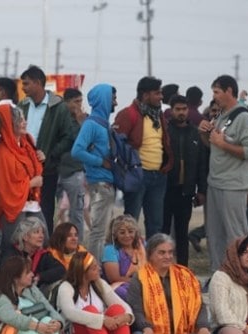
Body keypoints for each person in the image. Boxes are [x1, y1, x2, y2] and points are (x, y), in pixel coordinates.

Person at [126, 234, 221, 334]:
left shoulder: (184, 276)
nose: (168, 256)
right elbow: (136, 309)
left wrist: (203, 328)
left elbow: (199, 305)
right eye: (162, 252)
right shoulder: (140, 278)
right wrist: (146, 328)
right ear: (150, 255)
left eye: (170, 252)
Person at [198, 75, 248, 273]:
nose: (214, 96)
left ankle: (242, 275)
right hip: (215, 182)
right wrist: (203, 133)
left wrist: (223, 143)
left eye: (217, 92)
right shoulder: (221, 116)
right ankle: (219, 276)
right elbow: (213, 146)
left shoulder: (244, 118)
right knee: (215, 235)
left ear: (229, 91)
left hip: (233, 185)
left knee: (236, 234)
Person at [55, 251, 143, 334]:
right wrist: (102, 320)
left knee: (117, 309)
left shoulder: (99, 283)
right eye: (94, 268)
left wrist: (127, 316)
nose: (99, 269)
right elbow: (70, 313)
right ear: (83, 272)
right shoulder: (66, 287)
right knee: (90, 310)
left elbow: (123, 305)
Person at [114, 76, 173, 238]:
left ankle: (152, 261)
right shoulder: (128, 114)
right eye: (157, 93)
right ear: (145, 95)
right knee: (130, 222)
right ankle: (127, 260)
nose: (161, 97)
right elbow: (116, 145)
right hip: (138, 175)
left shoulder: (158, 115)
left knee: (156, 223)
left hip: (159, 176)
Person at [19, 65, 75, 226]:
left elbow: (68, 137)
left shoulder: (58, 107)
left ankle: (43, 248)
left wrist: (50, 154)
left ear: (38, 83)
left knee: (44, 211)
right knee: (22, 211)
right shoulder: (22, 106)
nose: (23, 88)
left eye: (26, 83)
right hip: (23, 168)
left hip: (47, 169)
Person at [72, 83, 118, 258]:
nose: (115, 102)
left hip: (104, 182)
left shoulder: (102, 124)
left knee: (102, 231)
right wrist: (100, 162)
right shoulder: (92, 124)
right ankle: (93, 272)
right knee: (98, 232)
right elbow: (77, 150)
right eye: (112, 98)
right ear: (104, 99)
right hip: (100, 182)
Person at [0, 103, 45, 256]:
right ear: (10, 124)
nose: (25, 123)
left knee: (43, 239)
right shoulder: (4, 152)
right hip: (13, 206)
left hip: (31, 202)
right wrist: (31, 183)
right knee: (12, 245)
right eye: (20, 120)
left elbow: (34, 168)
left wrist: (40, 157)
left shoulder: (26, 143)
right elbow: (5, 186)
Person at [163, 94, 207, 266]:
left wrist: (201, 191)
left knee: (182, 233)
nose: (181, 113)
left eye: (184, 109)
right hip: (166, 190)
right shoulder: (165, 132)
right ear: (171, 111)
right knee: (164, 232)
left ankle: (183, 271)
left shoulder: (196, 133)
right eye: (178, 109)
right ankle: (162, 270)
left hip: (186, 192)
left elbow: (202, 165)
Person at [4, 217, 65, 293]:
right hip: (13, 293)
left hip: (37, 292)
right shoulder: (12, 253)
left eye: (42, 232)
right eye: (36, 232)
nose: (41, 236)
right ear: (25, 237)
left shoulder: (43, 255)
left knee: (63, 286)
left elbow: (61, 270)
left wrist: (39, 277)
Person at [57, 88, 86, 241]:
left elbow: (84, 143)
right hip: (56, 168)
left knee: (77, 212)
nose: (79, 105)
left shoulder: (84, 120)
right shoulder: (58, 117)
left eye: (80, 101)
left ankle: (78, 244)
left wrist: (81, 123)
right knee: (53, 211)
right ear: (66, 102)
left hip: (75, 170)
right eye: (76, 102)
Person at [102, 214, 146, 300]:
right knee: (122, 292)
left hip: (143, 283)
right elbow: (114, 279)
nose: (127, 235)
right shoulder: (110, 249)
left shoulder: (142, 246)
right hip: (119, 286)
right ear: (115, 234)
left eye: (130, 231)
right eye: (122, 232)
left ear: (136, 232)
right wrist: (140, 282)